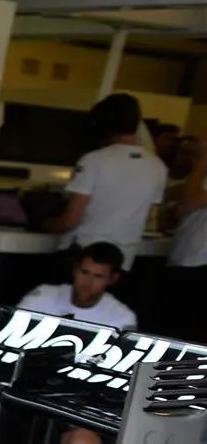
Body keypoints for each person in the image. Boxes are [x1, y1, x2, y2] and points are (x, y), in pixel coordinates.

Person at [19, 244, 138, 444]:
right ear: (75, 270)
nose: (88, 282)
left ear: (112, 279)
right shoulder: (43, 295)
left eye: (98, 276)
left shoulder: (122, 318)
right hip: (27, 391)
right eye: (85, 272)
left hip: (78, 400)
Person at [41, 94, 165, 306]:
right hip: (123, 261)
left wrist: (48, 224)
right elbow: (144, 217)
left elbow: (71, 219)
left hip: (84, 256)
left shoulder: (94, 160)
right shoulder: (158, 166)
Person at [157, 138, 205, 339]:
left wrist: (201, 165)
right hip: (190, 258)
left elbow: (188, 203)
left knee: (178, 329)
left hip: (196, 261)